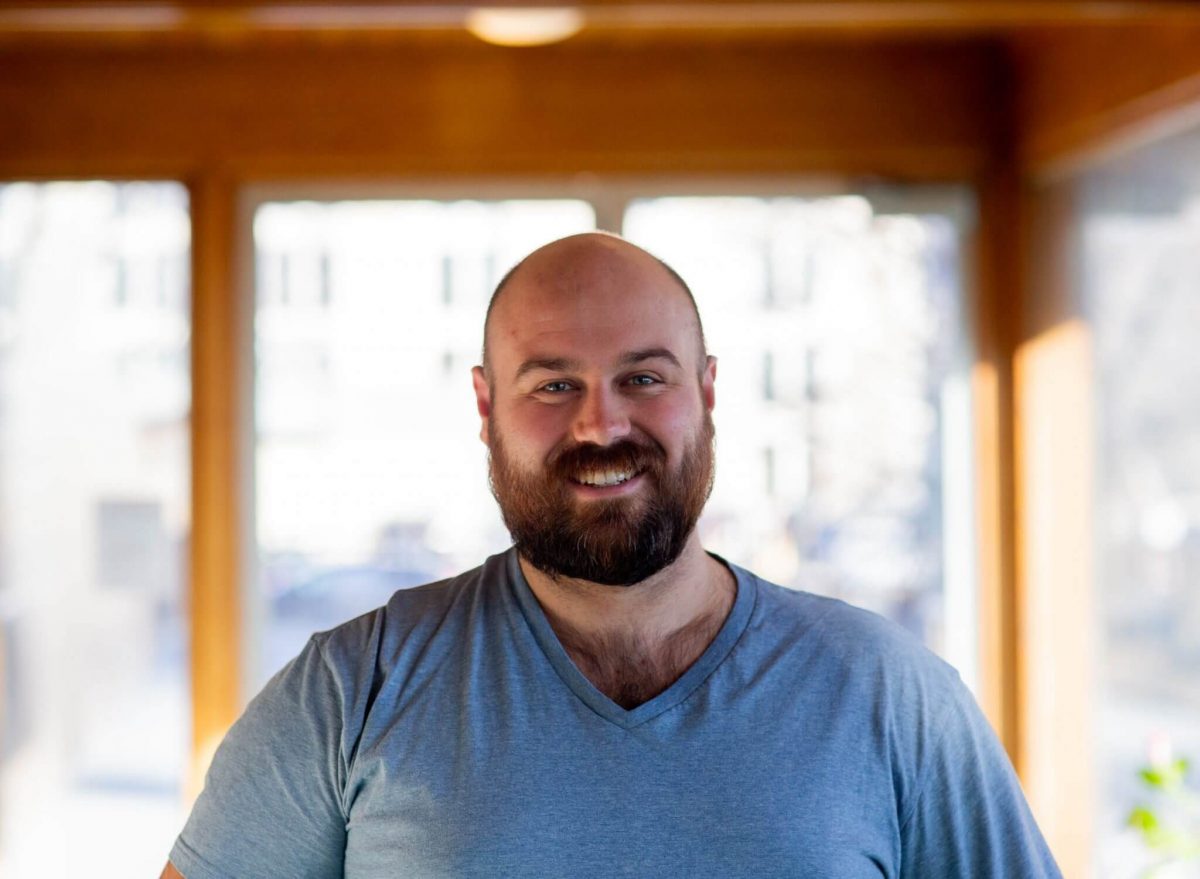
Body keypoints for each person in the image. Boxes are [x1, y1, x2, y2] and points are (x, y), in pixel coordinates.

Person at [162, 232, 1061, 878]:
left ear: (706, 391)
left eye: (644, 377)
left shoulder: (889, 694)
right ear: (486, 408)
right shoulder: (351, 691)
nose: (601, 424)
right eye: (555, 384)